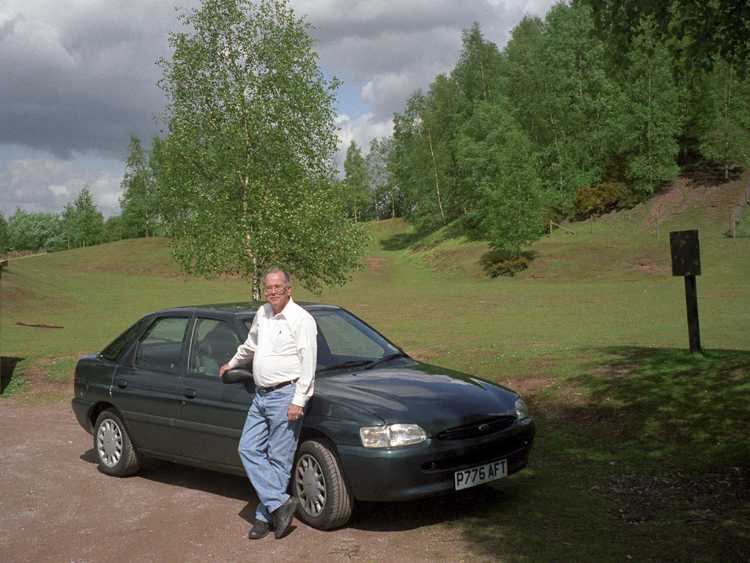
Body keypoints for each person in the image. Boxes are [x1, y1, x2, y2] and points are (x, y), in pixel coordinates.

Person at [219, 268, 317, 540]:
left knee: (278, 459)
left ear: (289, 289)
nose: (272, 291)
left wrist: (299, 399)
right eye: (268, 287)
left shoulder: (301, 319)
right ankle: (279, 504)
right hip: (261, 396)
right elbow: (250, 345)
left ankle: (264, 517)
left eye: (277, 286)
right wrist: (233, 363)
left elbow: (308, 363)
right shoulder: (263, 313)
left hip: (286, 395)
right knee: (248, 448)